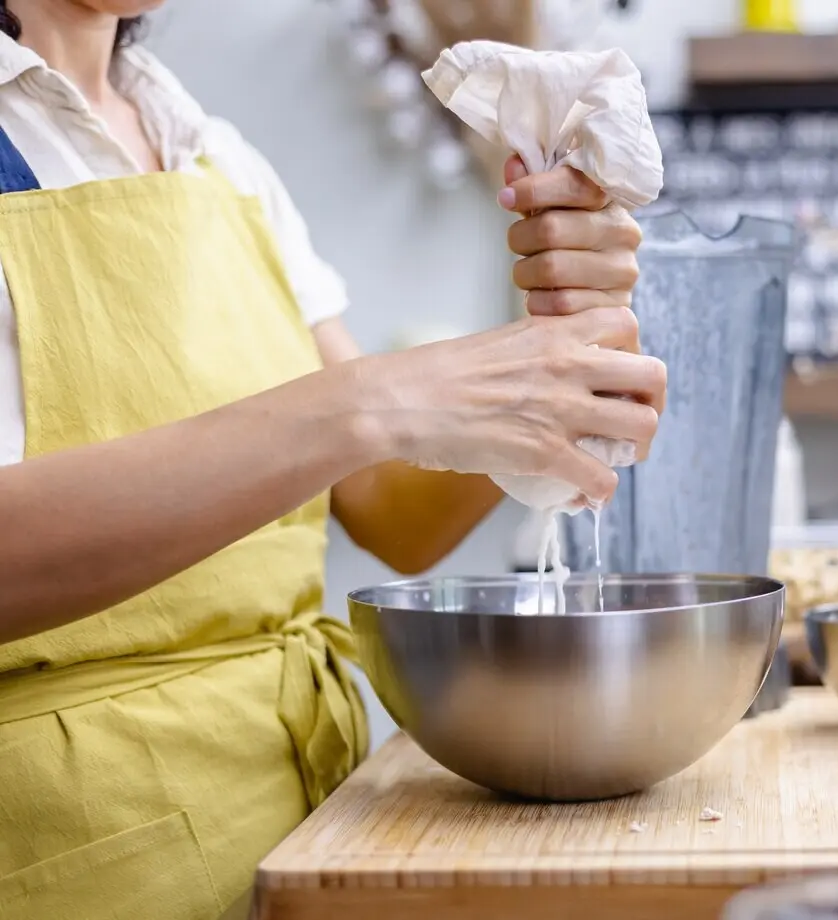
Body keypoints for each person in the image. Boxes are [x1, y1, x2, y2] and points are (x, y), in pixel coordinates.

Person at [0, 2, 667, 919]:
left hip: (310, 820)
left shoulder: (213, 156)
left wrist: (541, 369)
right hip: (80, 860)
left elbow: (389, 511)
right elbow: (359, 418)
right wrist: (375, 401)